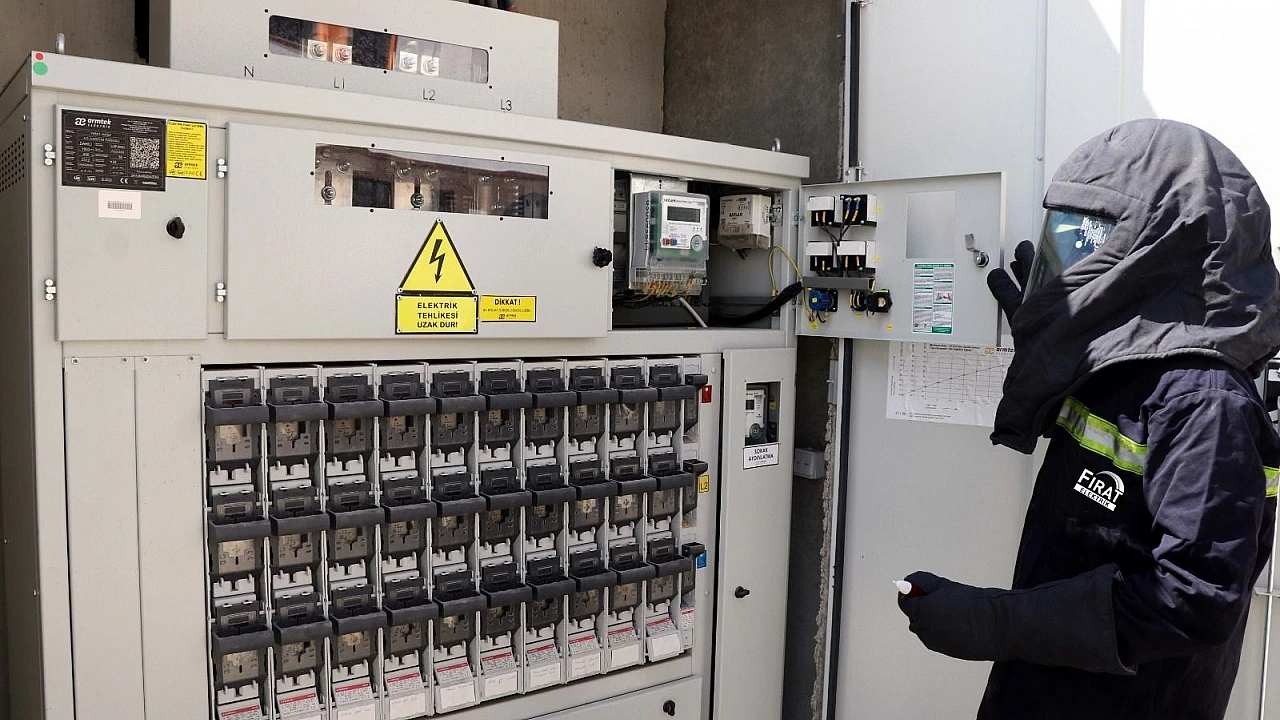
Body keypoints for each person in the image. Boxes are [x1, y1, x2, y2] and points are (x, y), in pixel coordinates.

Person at [896, 119, 1280, 719]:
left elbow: (1193, 599)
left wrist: (991, 621)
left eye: (1093, 239)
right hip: (1046, 689)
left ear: (1159, 250)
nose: (1075, 260)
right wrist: (1049, 348)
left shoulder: (1205, 401)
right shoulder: (1124, 363)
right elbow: (1108, 478)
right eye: (1068, 237)